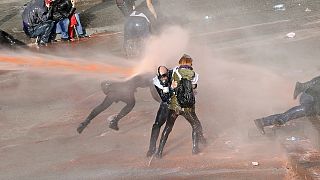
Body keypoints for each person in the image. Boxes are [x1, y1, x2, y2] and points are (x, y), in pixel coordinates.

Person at [155, 54, 206, 158]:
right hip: (187, 107)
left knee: (168, 128)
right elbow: (193, 87)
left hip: (174, 106)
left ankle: (159, 152)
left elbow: (168, 83)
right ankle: (195, 148)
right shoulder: (194, 74)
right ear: (190, 63)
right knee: (196, 125)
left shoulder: (174, 72)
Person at [77, 73, 161, 134]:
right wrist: (162, 102)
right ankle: (115, 121)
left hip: (117, 89)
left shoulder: (140, 75)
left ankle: (88, 122)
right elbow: (154, 94)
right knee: (131, 103)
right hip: (122, 89)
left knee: (105, 106)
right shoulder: (149, 79)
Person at [254, 76, 320, 135]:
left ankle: (262, 121)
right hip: (310, 97)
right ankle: (280, 120)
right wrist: (301, 86)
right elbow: (313, 83)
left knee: (312, 118)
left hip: (314, 103)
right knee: (308, 109)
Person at [146, 66, 172, 157]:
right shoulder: (156, 81)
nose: (164, 78)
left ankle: (200, 138)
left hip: (176, 104)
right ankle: (152, 148)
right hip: (165, 104)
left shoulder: (173, 75)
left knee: (168, 126)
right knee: (157, 125)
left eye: (165, 75)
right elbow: (163, 97)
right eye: (162, 76)